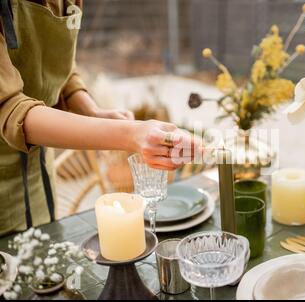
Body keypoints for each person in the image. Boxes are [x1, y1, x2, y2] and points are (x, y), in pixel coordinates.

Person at [0, 0, 198, 236]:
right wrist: (131, 135)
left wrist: (92, 110)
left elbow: (60, 65)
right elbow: (9, 107)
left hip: (39, 176)